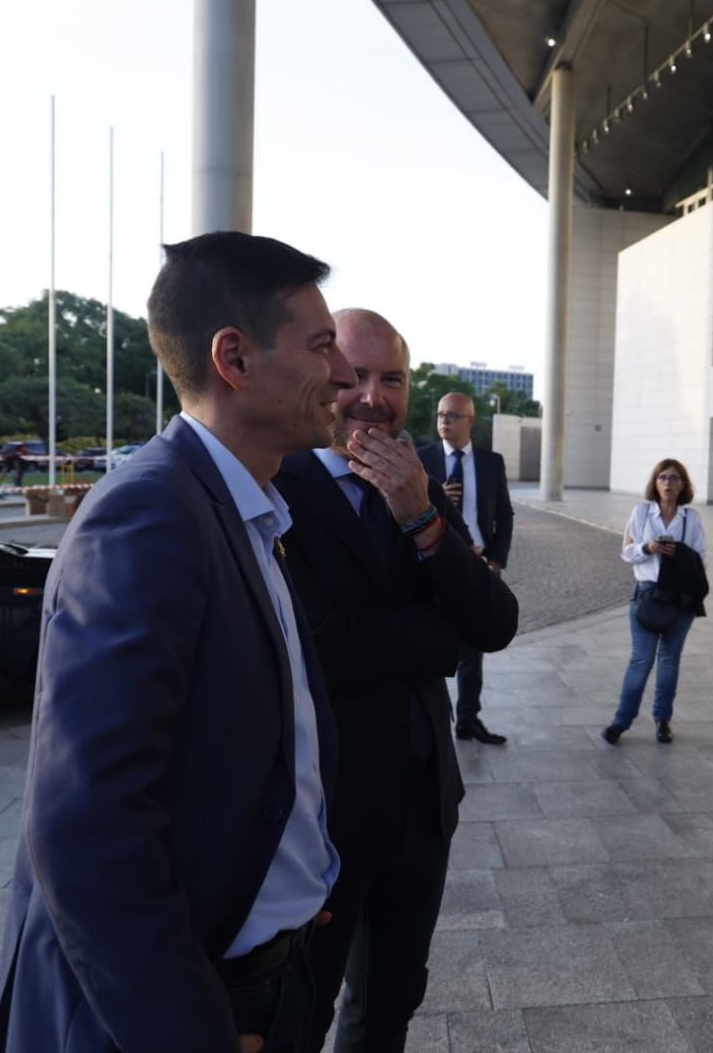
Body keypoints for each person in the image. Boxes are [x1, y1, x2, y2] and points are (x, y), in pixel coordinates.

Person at [0, 231, 353, 1053]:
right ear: (235, 358)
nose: (342, 375)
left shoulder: (246, 510)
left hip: (266, 981)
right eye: (321, 345)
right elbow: (87, 827)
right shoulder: (150, 514)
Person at [274, 308, 518, 1052]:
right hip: (322, 814)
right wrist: (435, 639)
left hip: (420, 804)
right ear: (320, 376)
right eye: (350, 377)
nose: (371, 397)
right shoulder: (275, 483)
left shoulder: (414, 483)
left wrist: (419, 516)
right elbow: (319, 646)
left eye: (392, 379)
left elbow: (494, 623)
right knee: (297, 1013)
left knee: (388, 1004)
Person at [417, 391, 515, 745]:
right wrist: (434, 496)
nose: (444, 420)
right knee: (429, 645)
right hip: (433, 565)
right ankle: (432, 724)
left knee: (472, 654)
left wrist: (495, 561)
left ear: (470, 420)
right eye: (441, 414)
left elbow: (504, 515)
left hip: (477, 566)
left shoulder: (491, 462)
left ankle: (468, 720)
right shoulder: (421, 459)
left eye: (453, 416)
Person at [602, 458, 707, 746]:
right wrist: (648, 548)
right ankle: (621, 721)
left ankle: (663, 720)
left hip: (680, 600)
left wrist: (679, 554)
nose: (668, 483)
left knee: (670, 660)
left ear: (683, 484)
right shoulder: (641, 513)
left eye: (674, 478)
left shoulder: (691, 519)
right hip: (647, 595)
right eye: (663, 478)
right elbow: (626, 551)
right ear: (655, 483)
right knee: (640, 661)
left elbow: (701, 559)